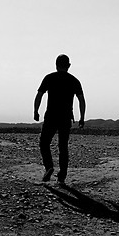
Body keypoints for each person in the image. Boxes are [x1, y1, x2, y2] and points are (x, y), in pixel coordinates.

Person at [34, 54, 86, 185]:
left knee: (44, 142)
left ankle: (49, 166)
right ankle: (62, 175)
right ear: (69, 66)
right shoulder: (74, 80)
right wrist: (82, 118)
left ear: (56, 65)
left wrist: (36, 111)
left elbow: (39, 95)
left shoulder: (49, 78)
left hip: (51, 115)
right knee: (63, 146)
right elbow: (81, 100)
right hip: (65, 117)